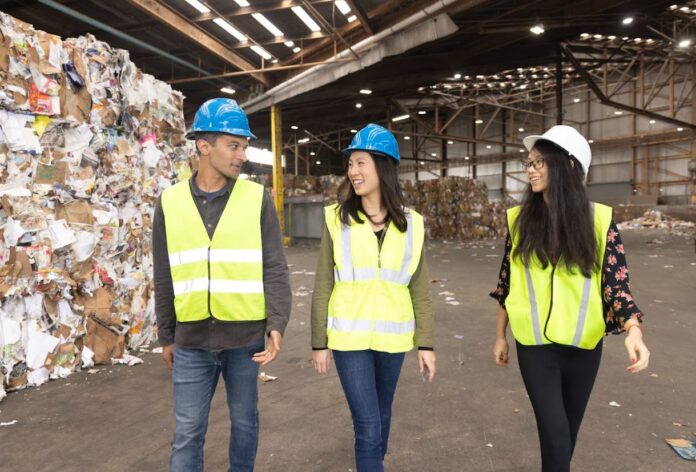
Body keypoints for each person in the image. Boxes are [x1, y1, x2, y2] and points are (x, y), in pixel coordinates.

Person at [490, 125, 650, 472]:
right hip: (535, 347)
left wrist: (633, 331)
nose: (530, 170)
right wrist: (501, 335)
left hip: (583, 347)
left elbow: (616, 283)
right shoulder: (518, 221)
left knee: (565, 437)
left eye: (540, 162)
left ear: (570, 167)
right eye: (529, 162)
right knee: (557, 435)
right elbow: (507, 282)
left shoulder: (599, 220)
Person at [153, 98, 291, 472]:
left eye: (244, 145)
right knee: (187, 433)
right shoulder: (169, 202)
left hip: (245, 341)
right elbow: (164, 275)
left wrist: (276, 324)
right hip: (191, 341)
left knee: (245, 423)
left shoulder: (256, 198)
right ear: (203, 145)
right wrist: (167, 334)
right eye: (234, 145)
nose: (242, 154)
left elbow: (274, 266)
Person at [310, 123, 436, 472]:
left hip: (394, 339)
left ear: (383, 166)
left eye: (361, 162)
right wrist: (318, 342)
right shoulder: (337, 220)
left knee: (381, 415)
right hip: (349, 340)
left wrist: (425, 343)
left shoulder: (412, 224)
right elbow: (323, 284)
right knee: (367, 425)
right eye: (351, 164)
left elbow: (420, 288)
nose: (353, 171)